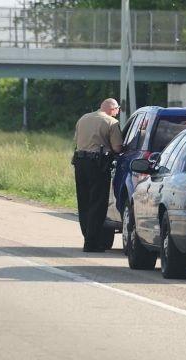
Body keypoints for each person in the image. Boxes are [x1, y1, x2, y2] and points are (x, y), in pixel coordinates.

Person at [73, 98, 123, 252]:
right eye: (117, 110)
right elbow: (117, 147)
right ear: (113, 109)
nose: (117, 113)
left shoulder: (83, 118)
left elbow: (77, 140)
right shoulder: (111, 123)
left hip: (80, 162)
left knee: (84, 202)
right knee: (98, 202)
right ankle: (91, 242)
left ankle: (87, 236)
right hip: (97, 165)